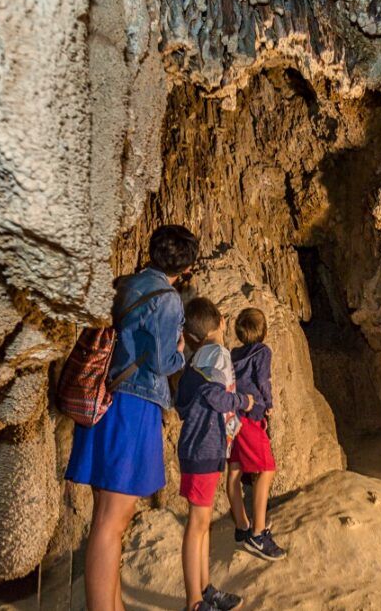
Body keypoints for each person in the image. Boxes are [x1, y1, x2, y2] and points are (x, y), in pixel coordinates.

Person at [64, 225, 198, 611]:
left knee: (104, 516)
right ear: (186, 265)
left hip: (107, 402)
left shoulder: (128, 283)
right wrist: (179, 351)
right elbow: (160, 361)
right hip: (133, 406)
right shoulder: (168, 298)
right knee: (112, 522)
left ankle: (111, 603)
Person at [177, 297, 253, 611]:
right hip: (202, 449)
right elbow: (215, 395)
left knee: (203, 522)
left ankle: (206, 590)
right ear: (222, 321)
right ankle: (194, 602)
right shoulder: (217, 355)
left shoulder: (197, 359)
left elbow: (183, 400)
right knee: (197, 525)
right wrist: (242, 402)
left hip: (204, 448)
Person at [227, 308, 286, 560]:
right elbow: (263, 379)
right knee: (266, 470)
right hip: (251, 417)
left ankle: (242, 526)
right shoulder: (262, 352)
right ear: (264, 331)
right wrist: (269, 403)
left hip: (233, 417)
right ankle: (258, 533)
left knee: (236, 470)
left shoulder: (233, 354)